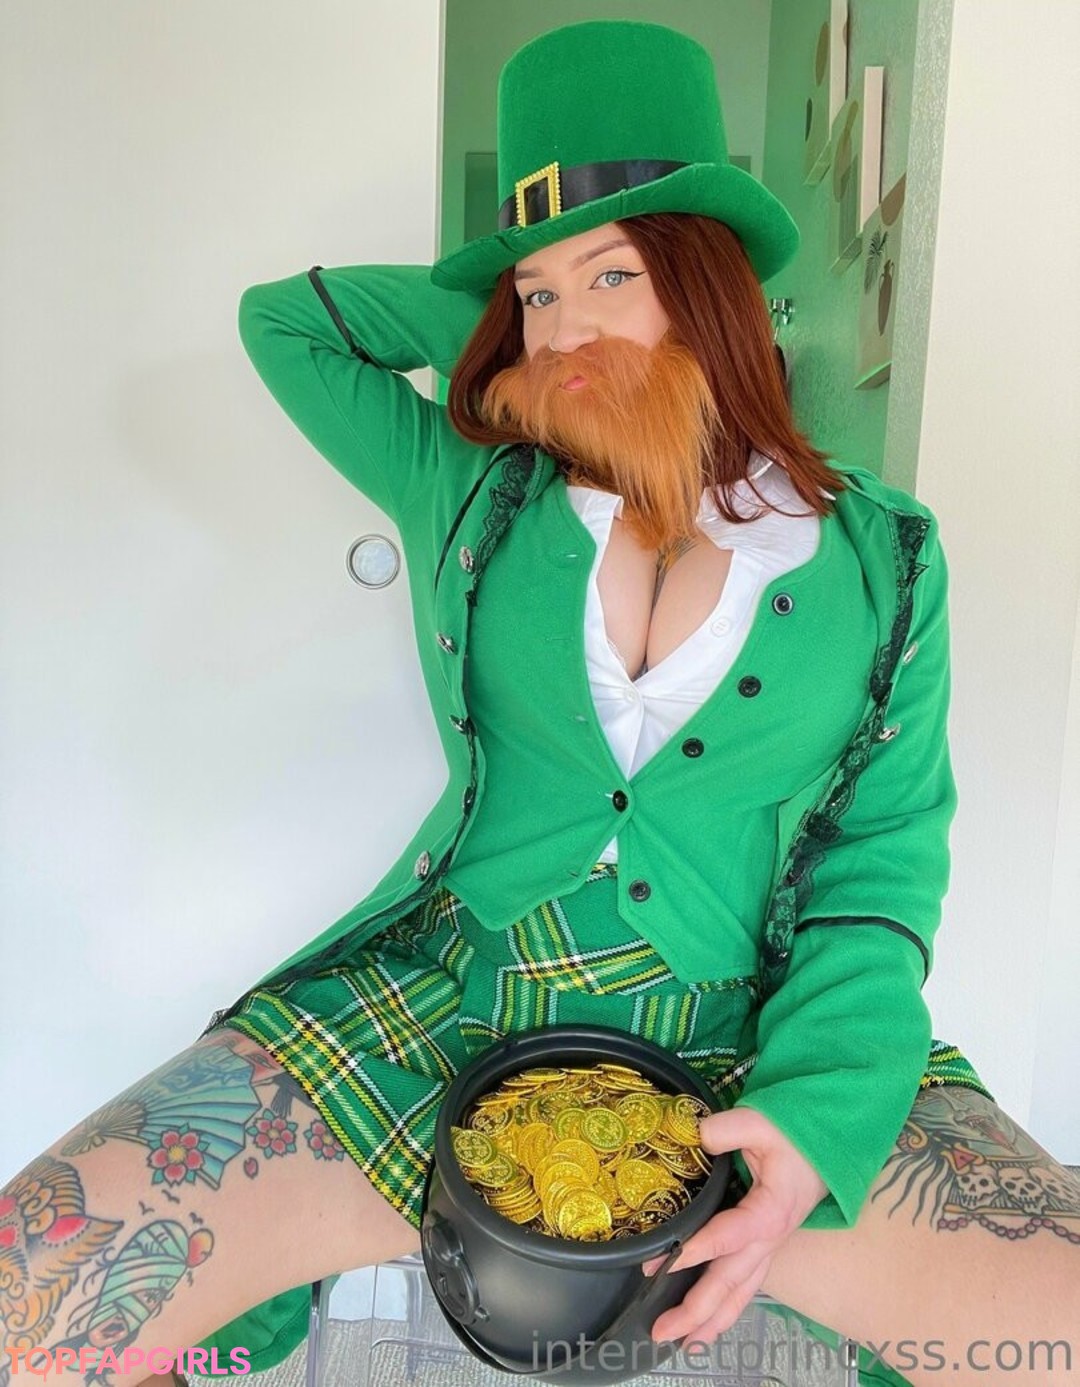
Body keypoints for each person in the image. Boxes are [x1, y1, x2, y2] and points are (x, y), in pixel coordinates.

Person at [3, 19, 1077, 1387]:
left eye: (616, 273)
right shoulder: (472, 486)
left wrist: (821, 1115)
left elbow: (883, 855)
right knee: (37, 1301)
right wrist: (517, 340)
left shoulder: (887, 552)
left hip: (756, 1036)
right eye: (537, 294)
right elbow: (286, 322)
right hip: (447, 1005)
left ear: (712, 280)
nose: (567, 328)